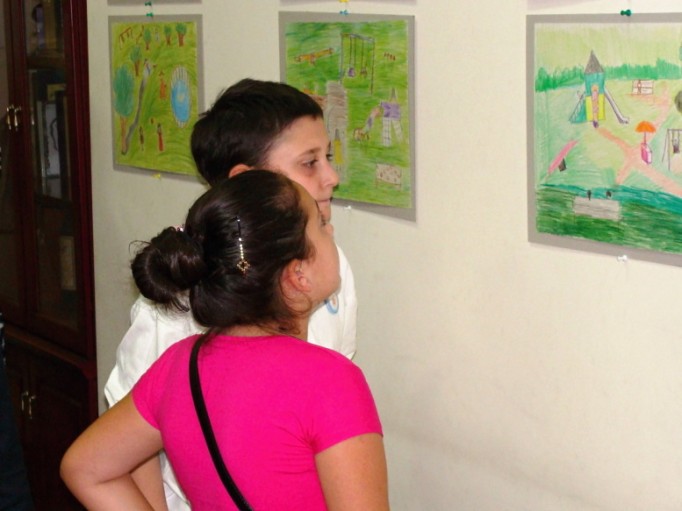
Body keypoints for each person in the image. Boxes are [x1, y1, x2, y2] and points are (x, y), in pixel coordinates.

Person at [61, 171, 388, 510]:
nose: (330, 231)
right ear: (298, 275)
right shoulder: (331, 381)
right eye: (320, 224)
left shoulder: (179, 363)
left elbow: (85, 468)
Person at [104, 79, 358, 509]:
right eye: (309, 162)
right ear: (248, 180)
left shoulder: (329, 268)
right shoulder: (181, 292)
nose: (331, 177)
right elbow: (126, 448)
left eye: (328, 157)